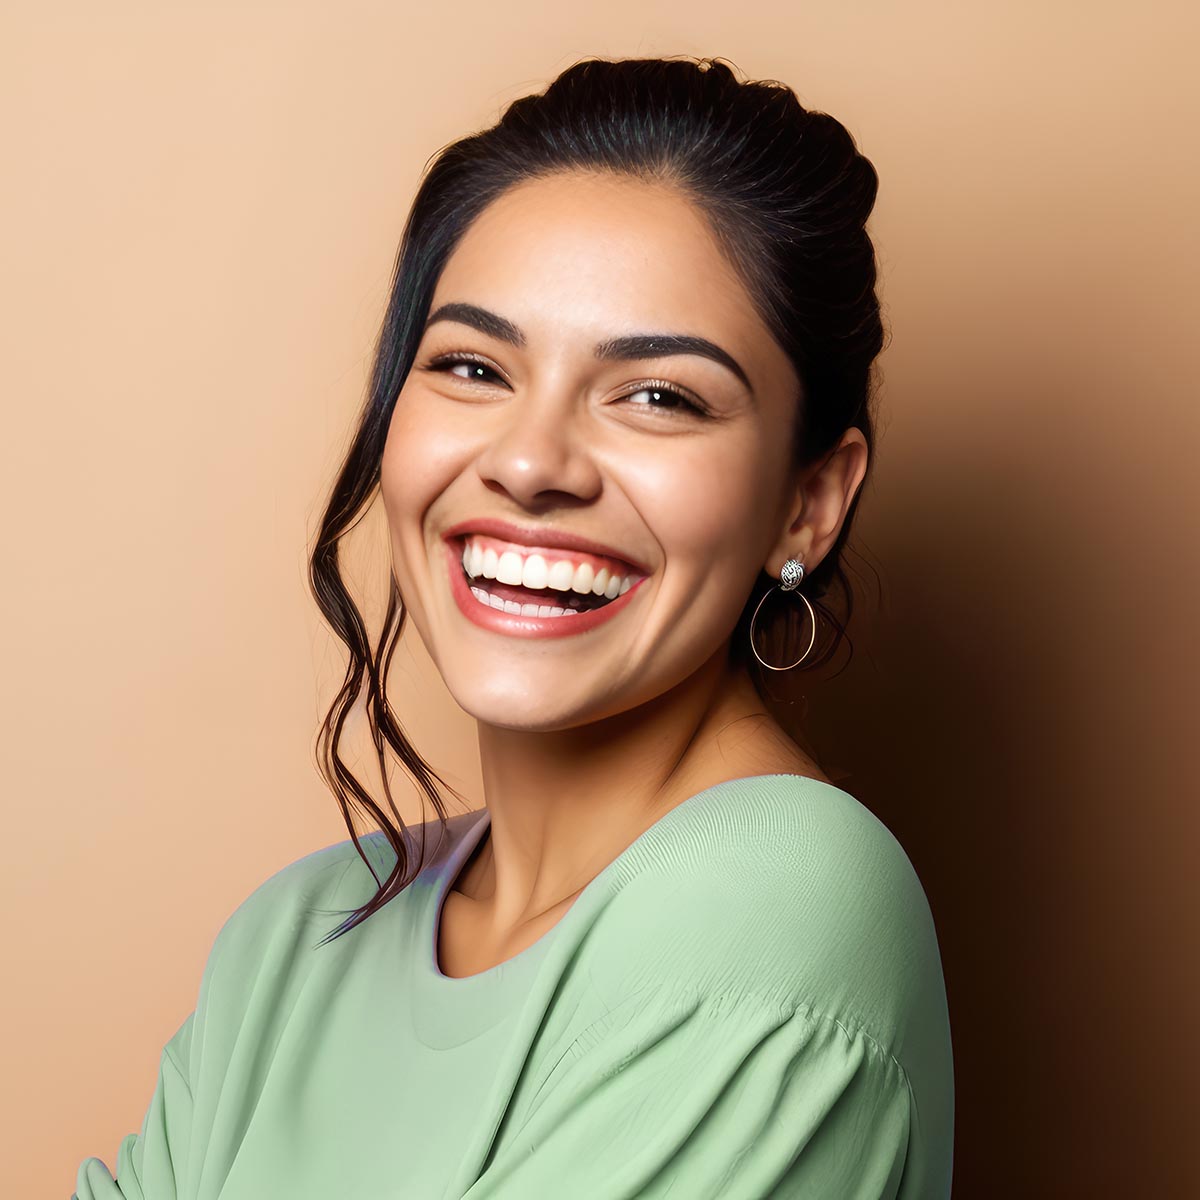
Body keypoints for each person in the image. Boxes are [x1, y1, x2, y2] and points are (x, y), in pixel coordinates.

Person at [75, 55, 953, 1199]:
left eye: (658, 395)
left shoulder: (788, 893)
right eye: (473, 365)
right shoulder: (297, 939)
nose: (531, 462)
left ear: (809, 502)